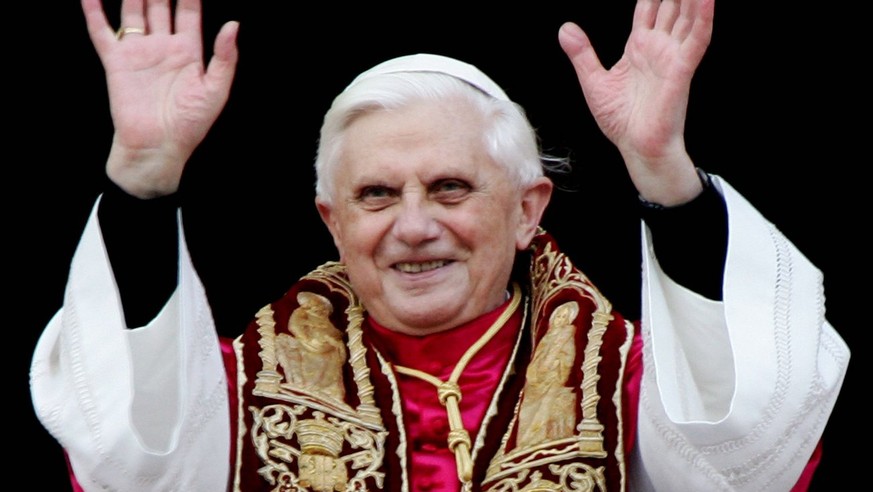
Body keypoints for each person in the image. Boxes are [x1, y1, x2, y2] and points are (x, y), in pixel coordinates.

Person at [29, 0, 850, 490]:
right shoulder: (236, 389)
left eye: (451, 189)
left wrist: (661, 172)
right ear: (333, 224)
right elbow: (133, 450)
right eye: (376, 195)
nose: (414, 226)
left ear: (528, 211)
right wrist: (141, 175)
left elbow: (747, 456)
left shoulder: (626, 382)